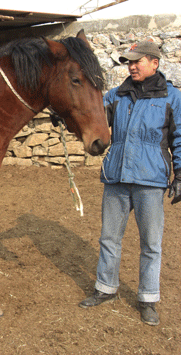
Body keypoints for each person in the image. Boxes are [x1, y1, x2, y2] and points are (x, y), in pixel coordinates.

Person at [78, 40, 181, 326]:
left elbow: (180, 137)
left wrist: (180, 173)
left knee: (151, 244)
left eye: (137, 61)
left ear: (154, 63)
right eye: (129, 62)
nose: (132, 66)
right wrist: (65, 114)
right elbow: (89, 113)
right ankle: (105, 288)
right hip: (117, 177)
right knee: (109, 238)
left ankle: (148, 298)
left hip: (151, 180)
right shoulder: (116, 95)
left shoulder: (172, 98)